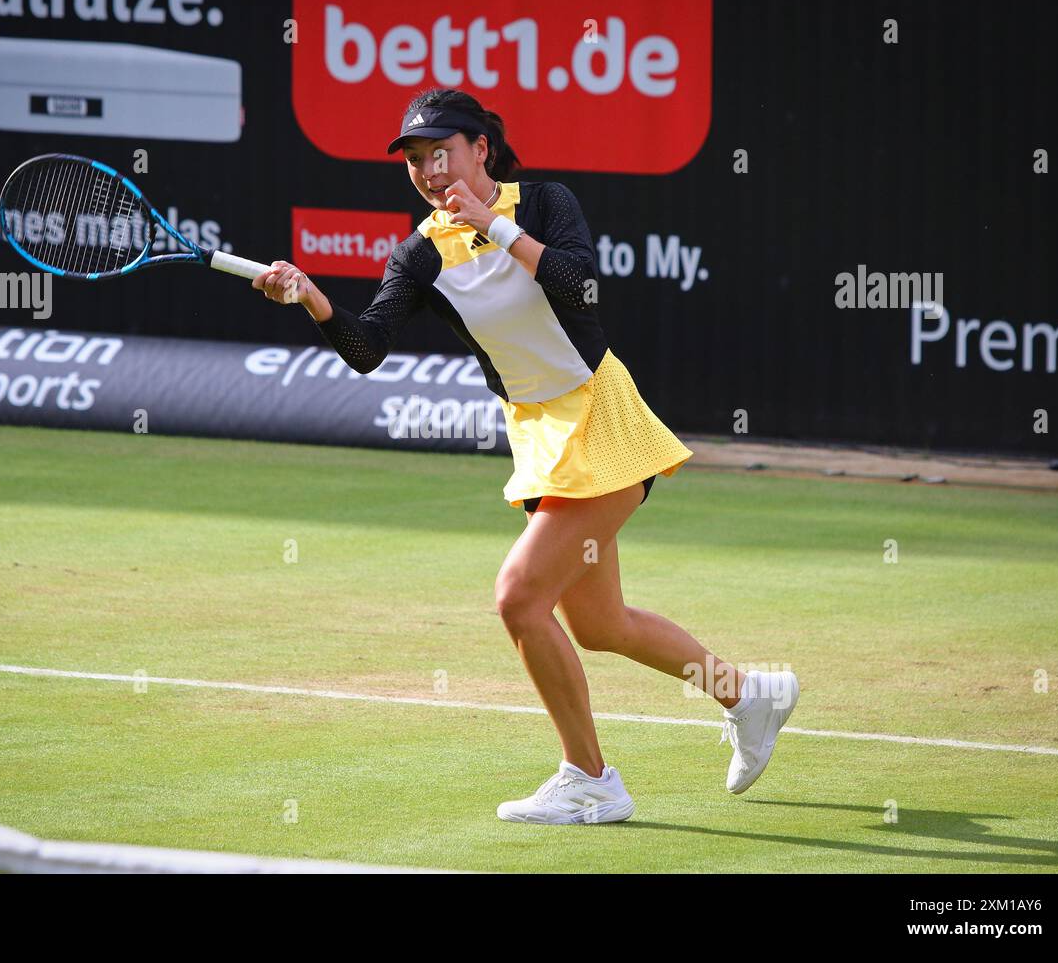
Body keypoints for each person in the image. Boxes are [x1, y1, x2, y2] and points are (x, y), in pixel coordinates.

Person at [252, 87, 799, 824]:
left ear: (481, 149)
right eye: (414, 159)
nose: (427, 169)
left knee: (517, 596)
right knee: (600, 625)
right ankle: (749, 695)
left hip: (600, 416)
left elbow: (581, 286)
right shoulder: (418, 255)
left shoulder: (544, 203)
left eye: (440, 151)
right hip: (537, 434)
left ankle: (591, 776)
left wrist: (497, 228)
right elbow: (368, 347)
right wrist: (314, 300)